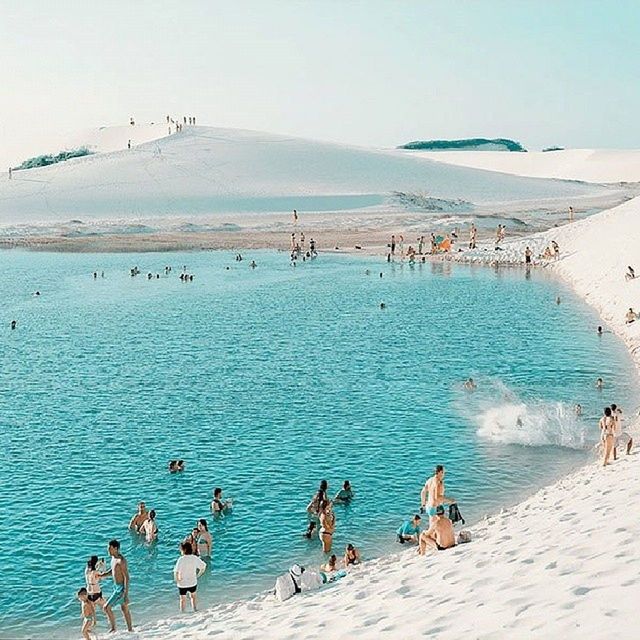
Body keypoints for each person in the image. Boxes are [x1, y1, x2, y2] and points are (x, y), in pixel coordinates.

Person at [103, 539, 133, 632]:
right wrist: (101, 575)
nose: (108, 550)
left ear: (115, 548)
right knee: (124, 608)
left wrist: (126, 594)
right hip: (116, 586)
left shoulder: (121, 561)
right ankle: (130, 629)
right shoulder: (113, 559)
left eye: (110, 548)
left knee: (106, 607)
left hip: (120, 588)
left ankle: (113, 628)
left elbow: (127, 577)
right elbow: (112, 571)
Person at [174, 541, 207, 612]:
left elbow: (176, 571)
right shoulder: (194, 558)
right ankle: (195, 609)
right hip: (192, 582)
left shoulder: (181, 559)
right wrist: (199, 575)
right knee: (193, 597)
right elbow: (203, 566)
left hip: (182, 583)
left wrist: (177, 580)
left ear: (184, 550)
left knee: (182, 599)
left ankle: (182, 612)